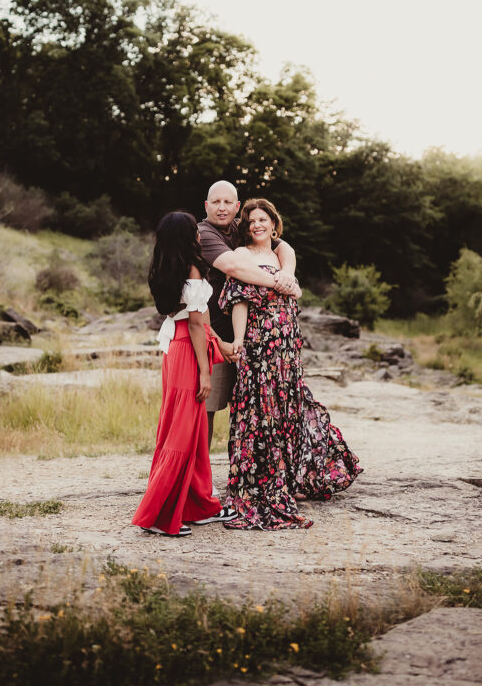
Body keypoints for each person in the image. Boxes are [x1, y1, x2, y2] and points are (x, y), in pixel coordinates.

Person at [220, 198, 362, 530]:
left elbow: (293, 294)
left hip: (287, 345)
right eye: (251, 220)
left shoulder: (282, 254)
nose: (257, 225)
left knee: (287, 409)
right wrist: (239, 340)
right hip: (259, 345)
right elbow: (239, 301)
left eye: (262, 220)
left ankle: (287, 479)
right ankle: (259, 485)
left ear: (273, 223)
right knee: (261, 412)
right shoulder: (242, 256)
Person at [132, 211, 237, 537]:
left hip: (177, 349)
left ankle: (198, 505)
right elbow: (194, 325)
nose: (198, 235)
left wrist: (219, 342)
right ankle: (161, 515)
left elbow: (198, 321)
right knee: (182, 433)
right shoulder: (191, 269)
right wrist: (206, 373)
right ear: (186, 236)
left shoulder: (168, 269)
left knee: (189, 433)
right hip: (188, 353)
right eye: (194, 231)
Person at [198, 181, 300, 451]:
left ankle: (258, 469)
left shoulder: (242, 229)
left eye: (228, 202)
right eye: (216, 202)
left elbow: (281, 246)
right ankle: (202, 478)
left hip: (256, 340)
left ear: (237, 206)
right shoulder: (203, 232)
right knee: (208, 407)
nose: (222, 208)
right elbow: (233, 266)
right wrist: (279, 282)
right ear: (206, 205)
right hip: (216, 333)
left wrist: (287, 272)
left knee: (255, 407)